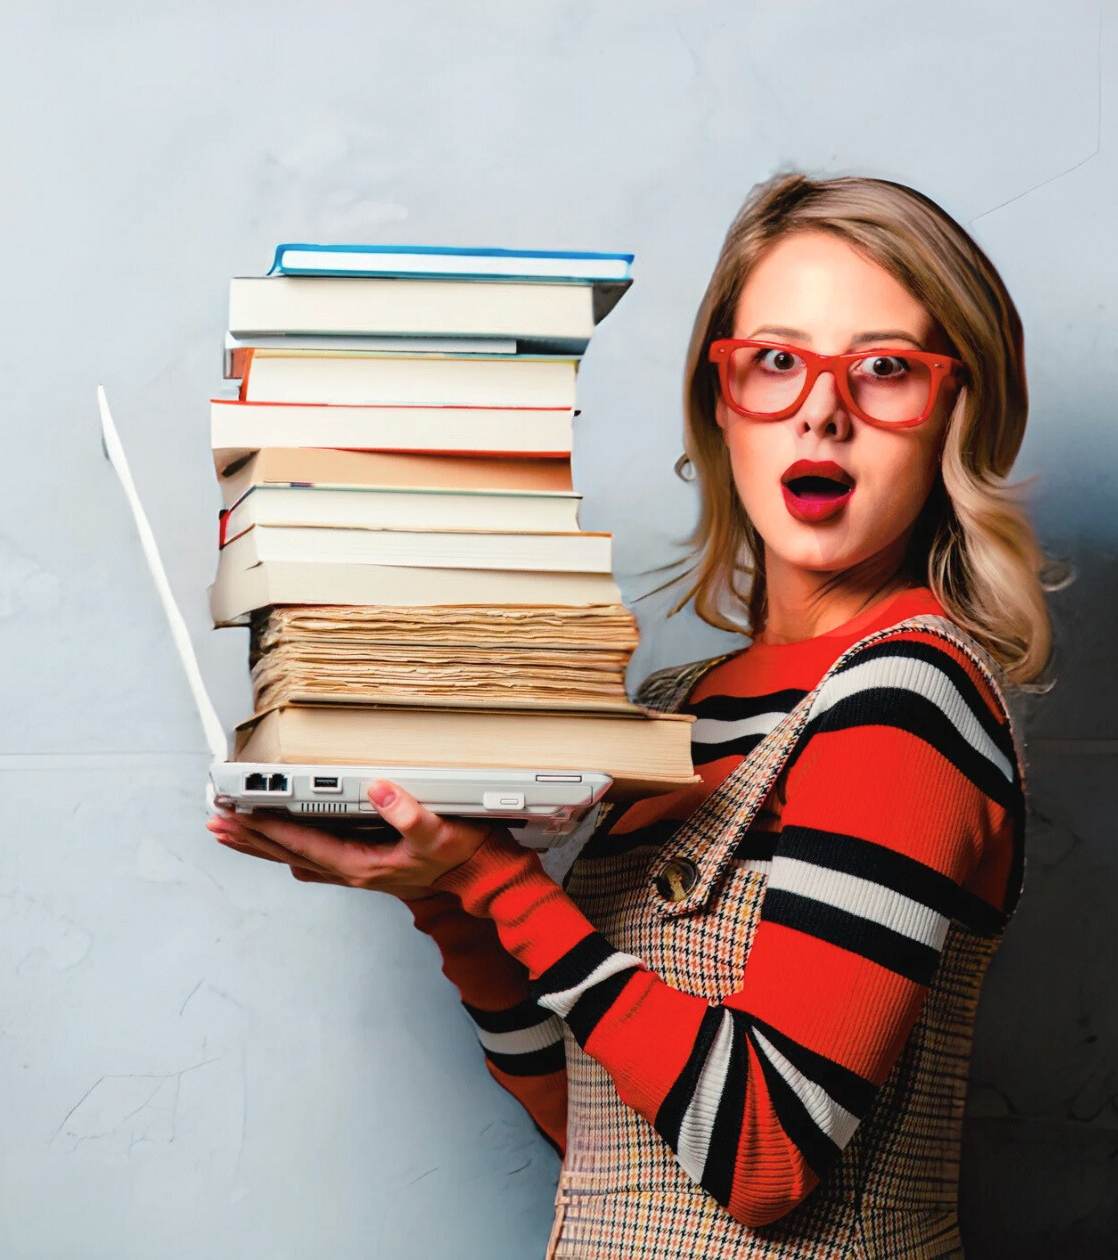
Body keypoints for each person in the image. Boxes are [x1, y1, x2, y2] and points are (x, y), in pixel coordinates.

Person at [208, 173, 1054, 1258]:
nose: (822, 409)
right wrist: (448, 903)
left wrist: (492, 880)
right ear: (721, 400)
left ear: (954, 411)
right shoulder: (671, 709)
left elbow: (764, 1155)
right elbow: (607, 1133)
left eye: (886, 368)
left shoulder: (906, 703)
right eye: (777, 361)